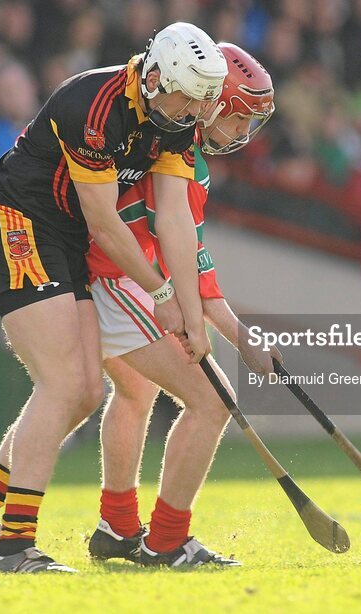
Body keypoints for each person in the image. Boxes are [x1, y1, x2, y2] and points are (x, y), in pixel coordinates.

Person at [0, 21, 228, 573]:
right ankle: (14, 546)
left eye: (201, 101)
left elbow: (174, 218)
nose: (194, 113)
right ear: (157, 77)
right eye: (187, 97)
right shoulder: (93, 107)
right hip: (18, 223)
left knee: (87, 391)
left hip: (65, 238)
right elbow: (104, 221)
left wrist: (193, 316)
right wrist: (162, 292)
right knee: (66, 383)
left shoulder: (172, 121)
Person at [84, 43, 278, 568]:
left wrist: (240, 336)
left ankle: (117, 527)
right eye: (240, 119)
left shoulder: (173, 138)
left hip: (116, 276)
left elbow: (191, 257)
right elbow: (186, 259)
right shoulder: (179, 150)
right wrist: (233, 335)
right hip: (113, 277)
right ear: (212, 103)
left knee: (134, 389)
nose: (243, 135)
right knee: (212, 400)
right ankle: (167, 540)